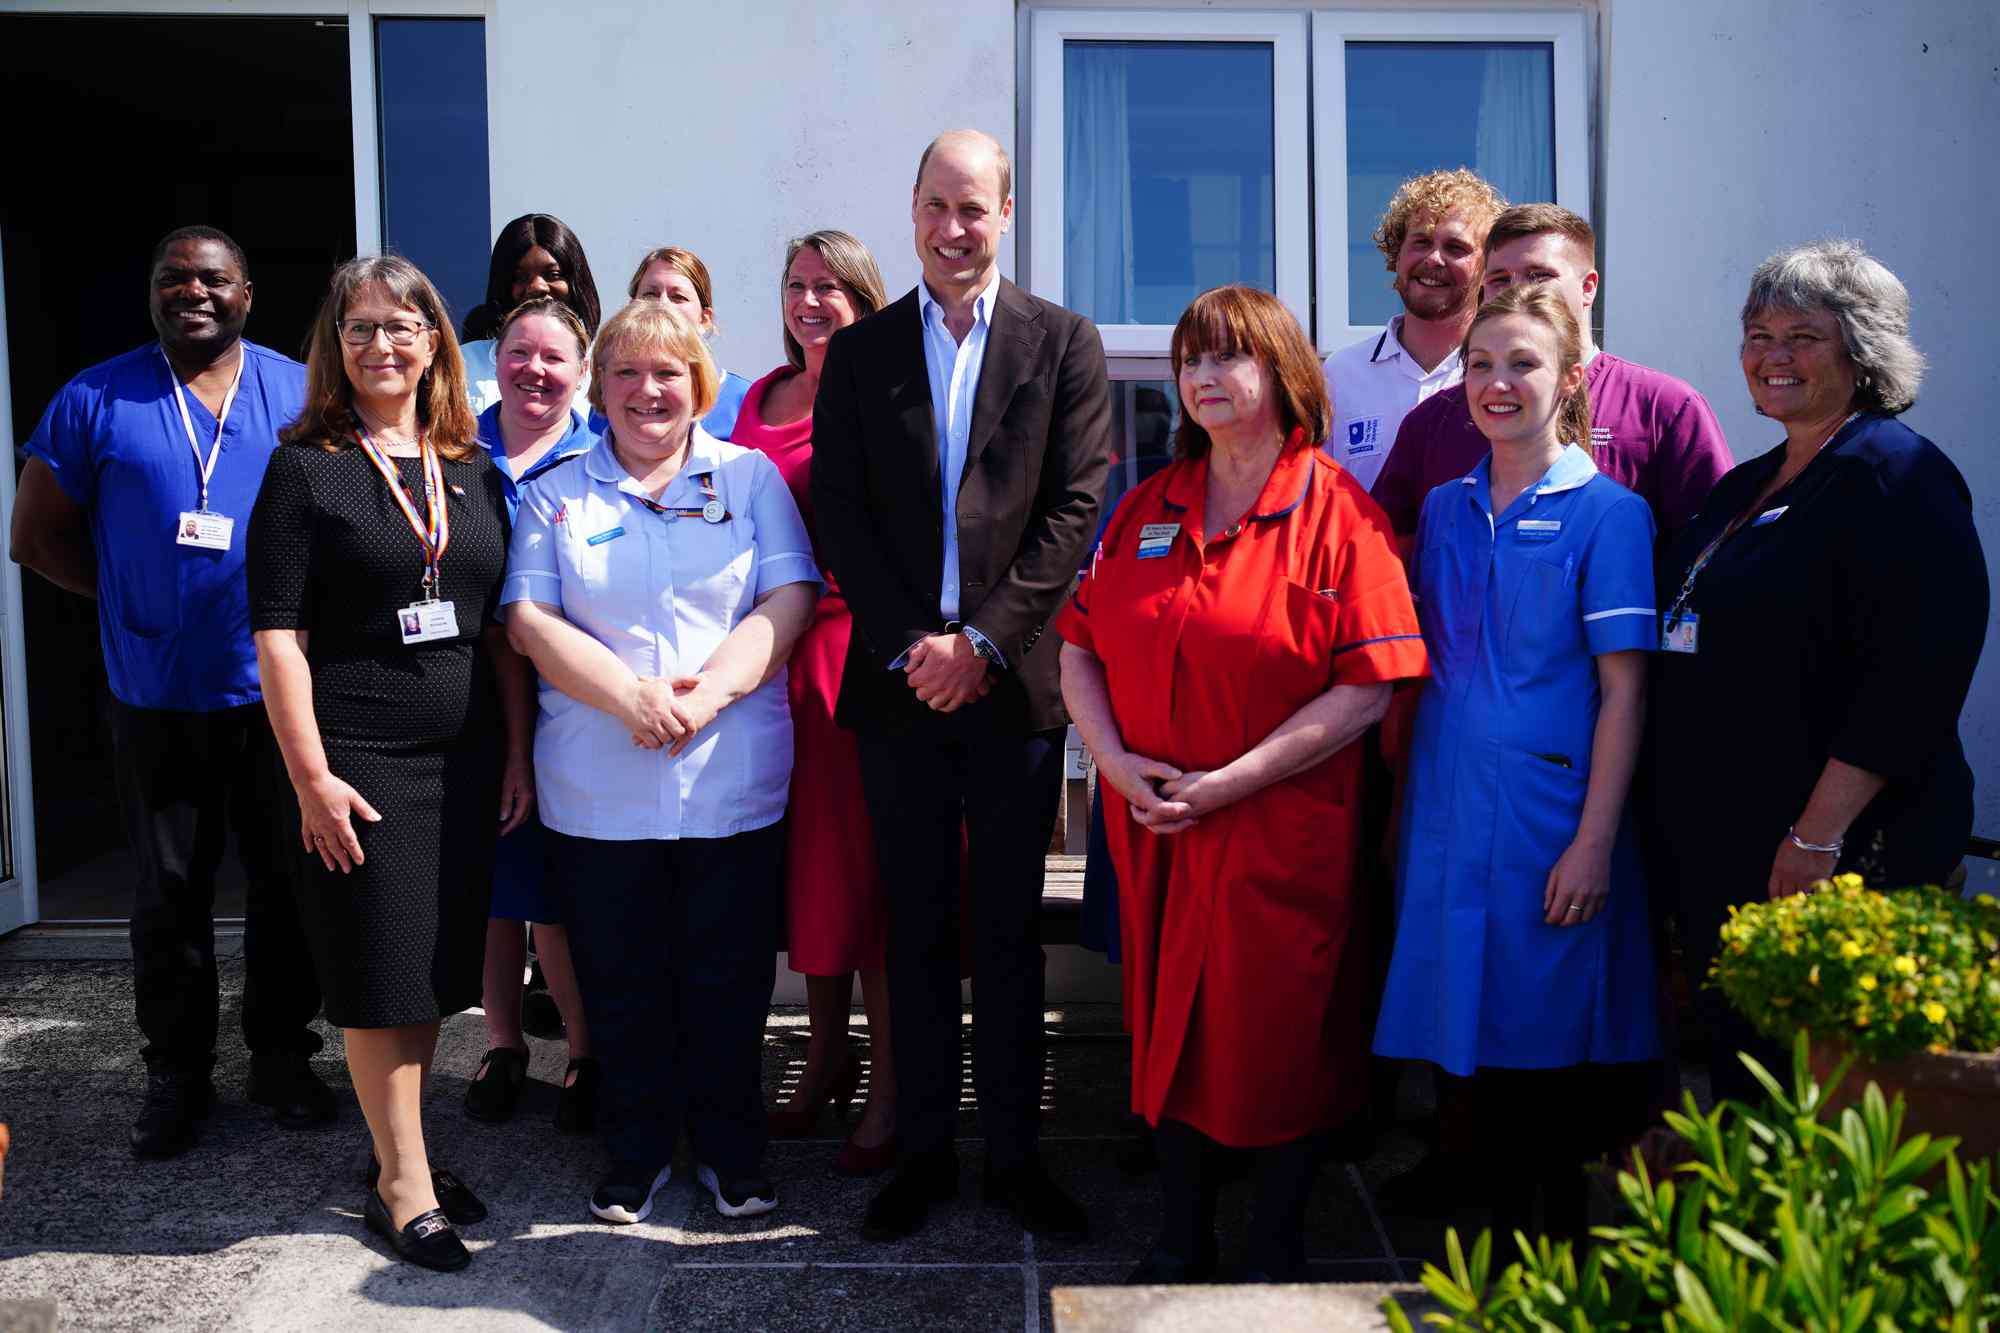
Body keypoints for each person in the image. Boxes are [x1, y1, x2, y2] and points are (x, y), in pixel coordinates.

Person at [1056, 285, 1426, 1281]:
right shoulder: (1147, 502)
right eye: (1189, 360)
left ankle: (1273, 1240)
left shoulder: (1336, 513)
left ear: (1281, 373)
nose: (1203, 377)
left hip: (1277, 827)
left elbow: (1369, 685)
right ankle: (1181, 1233)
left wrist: (1229, 781)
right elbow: (1077, 650)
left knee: (1276, 1033)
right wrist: (1116, 763)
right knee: (1165, 1024)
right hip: (1155, 824)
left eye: (1228, 357)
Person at [812, 128, 1112, 1244]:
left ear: (1005, 213)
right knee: (919, 928)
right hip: (898, 688)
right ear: (911, 209)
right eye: (935, 206)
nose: (952, 229)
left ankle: (1017, 1158)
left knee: (1006, 933)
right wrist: (914, 645)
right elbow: (837, 511)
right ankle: (925, 1153)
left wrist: (979, 644)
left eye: (973, 208)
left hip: (1010, 690)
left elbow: (1074, 509)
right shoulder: (864, 353)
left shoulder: (1061, 342)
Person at [11, 225, 332, 1158]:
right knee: (169, 894)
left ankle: (280, 1055)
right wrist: (125, 597)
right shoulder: (95, 397)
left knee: (287, 884)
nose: (192, 291)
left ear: (247, 292)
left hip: (278, 693)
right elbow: (35, 537)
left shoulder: (299, 389)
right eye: (173, 279)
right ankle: (176, 1072)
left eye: (212, 278)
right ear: (153, 294)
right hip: (153, 692)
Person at [1647, 240, 1987, 1108]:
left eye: (1803, 336)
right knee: (1742, 1070)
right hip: (1730, 839)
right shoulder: (1747, 484)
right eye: (1758, 334)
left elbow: (1914, 678)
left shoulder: (1898, 478)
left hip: (1831, 847)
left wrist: (1816, 837)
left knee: (1823, 1082)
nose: (1773, 357)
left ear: (1862, 350)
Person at [503, 299, 819, 1228]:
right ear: (600, 388)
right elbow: (529, 619)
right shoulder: (556, 491)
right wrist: (631, 698)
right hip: (602, 787)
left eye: (669, 373)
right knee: (623, 980)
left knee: (727, 980)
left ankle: (731, 1150)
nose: (649, 392)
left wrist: (710, 692)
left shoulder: (752, 477)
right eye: (628, 373)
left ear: (700, 385)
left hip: (730, 780)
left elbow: (791, 592)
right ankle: (634, 1151)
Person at [247, 255, 535, 1272]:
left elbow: (493, 629)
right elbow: (278, 637)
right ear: (336, 346)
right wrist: (312, 778)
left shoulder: (467, 466)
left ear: (432, 345)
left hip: (463, 760)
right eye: (360, 328)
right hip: (359, 757)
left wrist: (516, 755)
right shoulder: (305, 469)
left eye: (400, 326)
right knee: (378, 972)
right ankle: (402, 1185)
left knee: (425, 972)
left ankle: (399, 1153)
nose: (382, 344)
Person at [1373, 284, 1664, 1242]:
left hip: (1551, 821)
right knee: (1465, 1029)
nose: (1498, 383)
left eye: (1524, 364)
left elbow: (1623, 691)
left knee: (1547, 1036)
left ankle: (1553, 1252)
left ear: (1571, 378)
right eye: (1481, 365)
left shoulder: (1609, 515)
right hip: (1450, 811)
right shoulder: (1450, 510)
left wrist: (1593, 842)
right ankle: (1489, 1240)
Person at [733, 230, 901, 1174]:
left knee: (863, 873)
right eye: (796, 284)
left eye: (831, 287)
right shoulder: (759, 398)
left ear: (866, 300)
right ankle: (827, 1050)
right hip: (767, 659)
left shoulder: (886, 393)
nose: (810, 301)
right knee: (807, 875)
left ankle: (887, 1080)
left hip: (852, 649)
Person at [1371, 204, 1733, 545]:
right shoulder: (1433, 420)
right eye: (1499, 279)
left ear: (1588, 287)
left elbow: (1713, 550)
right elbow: (1388, 559)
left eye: (1539, 276)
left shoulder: (1663, 407)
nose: (1518, 291)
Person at [460, 296, 600, 1131]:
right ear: (496, 359)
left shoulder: (602, 449)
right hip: (472, 693)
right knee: (495, 885)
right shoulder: (455, 445)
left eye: (554, 356)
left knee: (550, 889)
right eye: (520, 352)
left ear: (580, 371)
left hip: (573, 699)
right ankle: (503, 1043)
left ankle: (584, 1052)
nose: (536, 370)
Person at [1323, 169, 1506, 489]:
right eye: (1421, 242)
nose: (1434, 259)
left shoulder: (1505, 376)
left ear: (1487, 268)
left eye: (1456, 248)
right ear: (1397, 253)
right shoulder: (1340, 373)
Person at [459, 214, 604, 415]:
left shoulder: (607, 366)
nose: (537, 286)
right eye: (520, 277)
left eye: (553, 275)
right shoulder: (463, 364)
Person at [627, 246, 753, 438]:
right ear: (631, 308)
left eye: (678, 297)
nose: (662, 305)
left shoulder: (746, 399)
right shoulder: (615, 393)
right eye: (650, 295)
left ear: (704, 319)